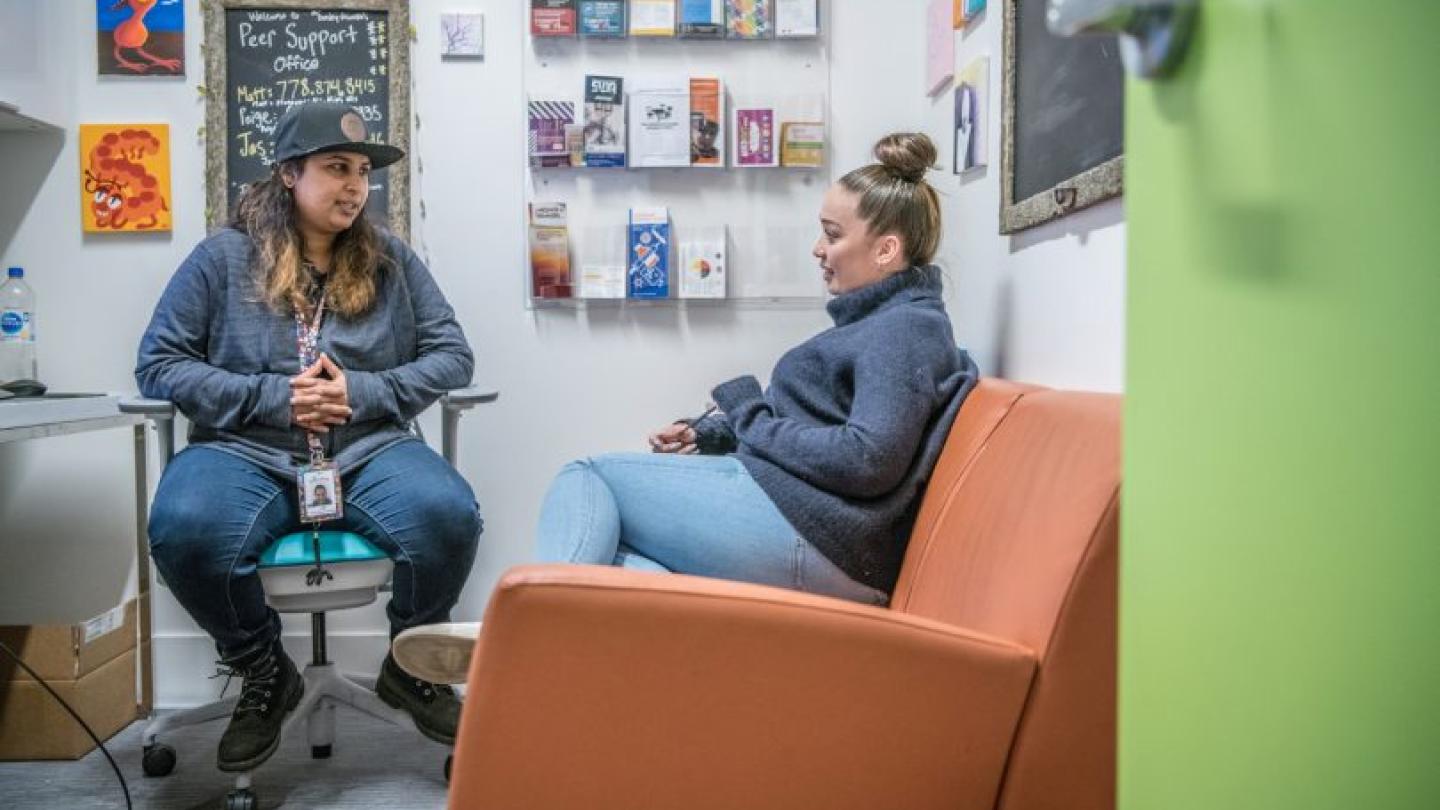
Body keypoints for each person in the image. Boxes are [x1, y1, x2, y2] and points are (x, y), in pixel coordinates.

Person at [392, 132, 979, 684]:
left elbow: (868, 457)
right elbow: (828, 428)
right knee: (618, 559)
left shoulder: (902, 332)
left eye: (832, 234)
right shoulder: (890, 322)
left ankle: (529, 638)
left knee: (589, 477)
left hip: (823, 542)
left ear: (886, 249)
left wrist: (749, 416)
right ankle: (606, 684)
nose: (818, 249)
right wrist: (719, 434)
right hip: (807, 522)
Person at [137, 102, 482, 772]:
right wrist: (274, 397)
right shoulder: (221, 258)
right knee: (185, 527)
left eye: (361, 172)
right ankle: (264, 669)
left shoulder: (390, 261)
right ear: (290, 173)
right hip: (244, 451)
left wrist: (361, 392)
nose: (355, 185)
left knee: (448, 516)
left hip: (367, 448)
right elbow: (159, 364)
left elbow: (452, 357)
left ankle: (411, 666)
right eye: (336, 168)